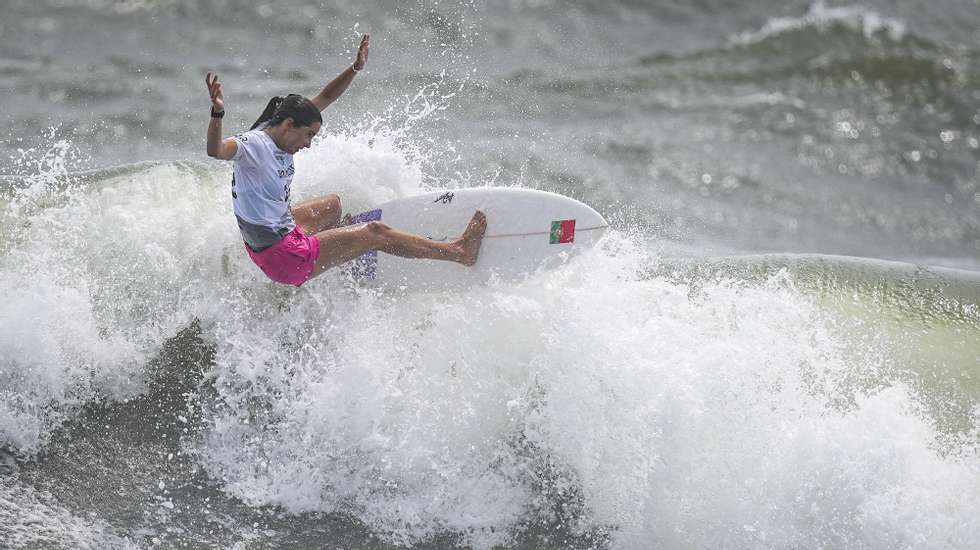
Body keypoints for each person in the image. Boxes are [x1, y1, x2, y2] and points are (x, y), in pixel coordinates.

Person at [204, 34, 486, 287]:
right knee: (376, 232)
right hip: (285, 257)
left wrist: (355, 68)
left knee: (333, 206)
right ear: (289, 125)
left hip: (274, 237)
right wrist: (217, 115)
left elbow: (325, 96)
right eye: (308, 135)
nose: (308, 144)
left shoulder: (276, 128)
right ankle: (458, 252)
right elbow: (216, 150)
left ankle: (341, 245)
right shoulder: (253, 145)